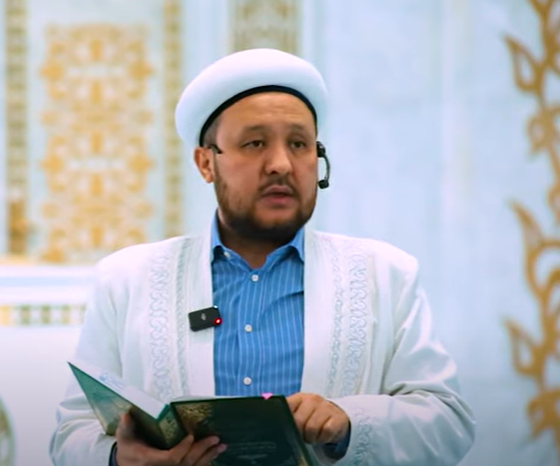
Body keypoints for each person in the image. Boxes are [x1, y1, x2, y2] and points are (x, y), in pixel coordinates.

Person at [49, 48, 475, 466]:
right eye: (254, 143)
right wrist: (119, 458)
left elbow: (447, 422)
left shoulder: (385, 275)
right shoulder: (128, 279)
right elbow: (72, 432)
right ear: (206, 163)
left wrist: (349, 422)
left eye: (299, 144)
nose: (281, 164)